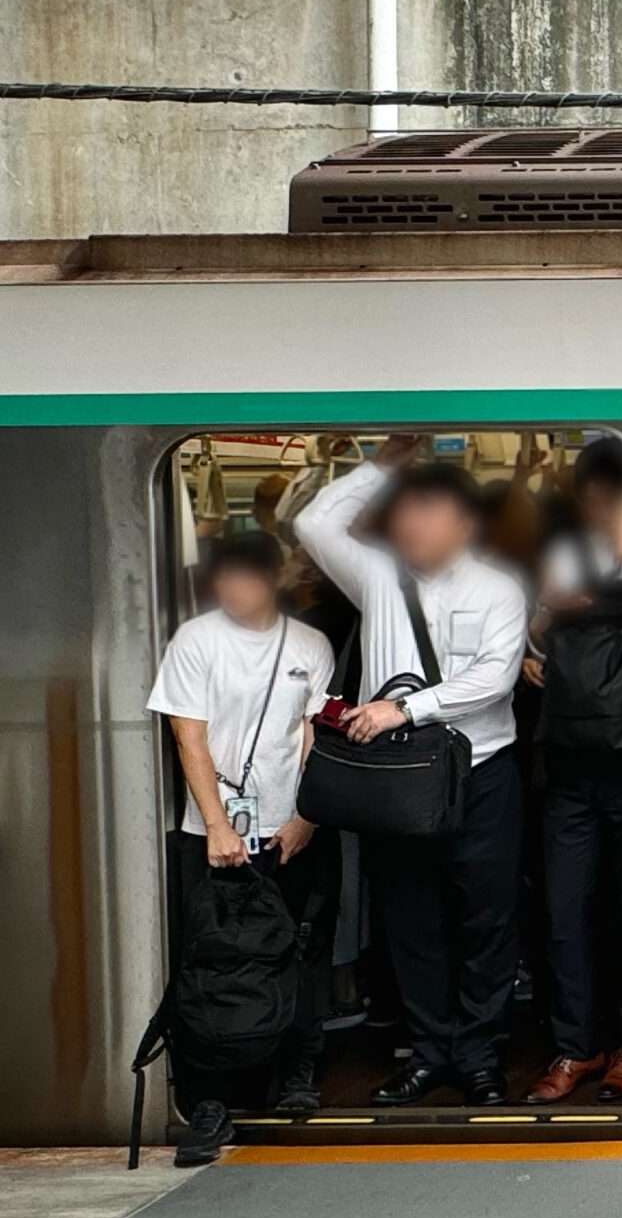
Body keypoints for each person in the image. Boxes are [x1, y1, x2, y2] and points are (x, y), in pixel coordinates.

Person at [296, 435, 531, 1107]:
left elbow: (495, 677)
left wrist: (405, 708)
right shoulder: (377, 577)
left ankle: (482, 1057)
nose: (411, 524)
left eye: (428, 511)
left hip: (480, 776)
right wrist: (380, 467)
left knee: (486, 921)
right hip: (398, 785)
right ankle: (429, 1053)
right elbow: (313, 523)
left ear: (464, 524)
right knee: (410, 920)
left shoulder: (498, 589)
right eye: (405, 511)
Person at [145, 532, 338, 1162]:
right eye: (224, 577)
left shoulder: (309, 645)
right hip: (211, 835)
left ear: (273, 579)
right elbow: (188, 739)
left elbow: (313, 736)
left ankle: (295, 1077)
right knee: (211, 964)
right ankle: (209, 1102)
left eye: (248, 577)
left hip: (292, 829)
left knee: (300, 955)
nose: (235, 589)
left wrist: (305, 818)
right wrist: (218, 824)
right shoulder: (196, 642)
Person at [523, 436, 622, 1105]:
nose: (600, 508)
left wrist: (578, 601)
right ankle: (578, 1045)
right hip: (570, 757)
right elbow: (535, 624)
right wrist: (540, 629)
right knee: (565, 911)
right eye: (594, 496)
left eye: (614, 495)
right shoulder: (564, 551)